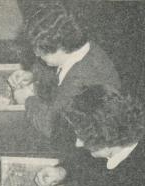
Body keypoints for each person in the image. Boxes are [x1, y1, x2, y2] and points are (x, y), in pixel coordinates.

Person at [8, 2, 121, 151]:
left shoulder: (82, 78)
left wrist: (27, 100)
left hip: (87, 150)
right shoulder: (82, 49)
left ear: (61, 47)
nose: (36, 54)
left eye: (41, 51)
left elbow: (54, 127)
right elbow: (59, 69)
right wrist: (33, 76)